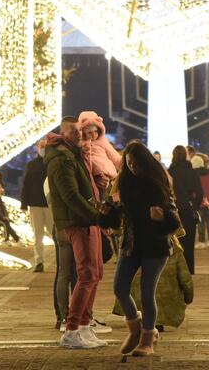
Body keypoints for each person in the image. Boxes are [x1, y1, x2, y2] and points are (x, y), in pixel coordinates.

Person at [101, 140, 181, 357]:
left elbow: (174, 221)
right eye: (128, 163)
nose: (133, 167)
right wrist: (107, 214)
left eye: (136, 163)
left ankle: (148, 337)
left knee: (147, 292)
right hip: (131, 244)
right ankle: (135, 329)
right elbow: (116, 216)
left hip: (155, 245)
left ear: (144, 163)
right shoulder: (123, 184)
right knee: (120, 288)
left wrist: (162, 217)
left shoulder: (157, 184)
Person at [45, 115, 105, 350]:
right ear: (63, 133)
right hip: (78, 222)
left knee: (96, 272)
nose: (79, 134)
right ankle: (71, 330)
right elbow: (70, 196)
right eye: (73, 131)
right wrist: (95, 215)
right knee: (87, 273)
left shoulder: (74, 154)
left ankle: (83, 326)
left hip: (87, 219)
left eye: (79, 130)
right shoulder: (61, 158)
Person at [113, 234, 193, 333]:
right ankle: (153, 326)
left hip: (135, 300)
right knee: (152, 291)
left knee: (141, 289)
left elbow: (122, 285)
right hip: (165, 302)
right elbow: (185, 279)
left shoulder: (131, 246)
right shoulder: (174, 250)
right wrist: (188, 298)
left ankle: (139, 323)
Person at [168, 145, 203, 274]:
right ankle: (189, 269)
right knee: (188, 241)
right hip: (188, 210)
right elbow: (199, 192)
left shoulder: (170, 172)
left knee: (174, 240)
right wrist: (195, 206)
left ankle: (176, 270)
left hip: (173, 210)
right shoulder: (192, 172)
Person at [21, 139, 52, 271]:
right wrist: (24, 203)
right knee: (37, 235)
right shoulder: (32, 165)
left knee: (54, 233)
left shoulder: (52, 163)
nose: (43, 149)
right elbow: (26, 184)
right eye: (41, 146)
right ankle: (39, 262)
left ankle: (62, 261)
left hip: (50, 204)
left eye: (45, 146)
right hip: (35, 204)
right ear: (38, 148)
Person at [77, 110, 122, 198]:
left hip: (108, 175)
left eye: (96, 131)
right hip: (92, 178)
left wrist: (123, 164)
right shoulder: (80, 144)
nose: (93, 135)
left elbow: (114, 156)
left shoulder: (103, 141)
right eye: (90, 132)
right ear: (83, 132)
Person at [192, 154, 209, 248]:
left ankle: (201, 241)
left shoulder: (193, 174)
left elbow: (192, 189)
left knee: (200, 222)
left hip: (198, 201)